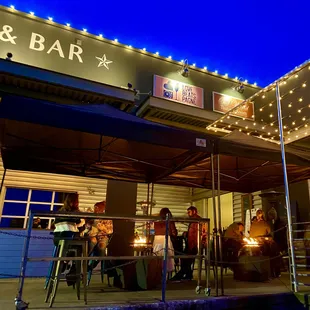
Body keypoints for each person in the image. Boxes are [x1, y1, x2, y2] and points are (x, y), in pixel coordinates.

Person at [172, 206, 204, 281]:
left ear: (194, 211)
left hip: (194, 244)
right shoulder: (192, 221)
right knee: (184, 258)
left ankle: (182, 274)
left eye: (189, 212)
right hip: (190, 243)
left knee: (187, 259)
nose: (188, 214)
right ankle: (187, 274)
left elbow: (198, 233)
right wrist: (187, 233)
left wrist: (195, 243)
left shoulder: (197, 220)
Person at [153, 208, 177, 273]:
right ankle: (166, 274)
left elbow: (153, 229)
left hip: (157, 239)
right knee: (167, 256)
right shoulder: (169, 220)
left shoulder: (156, 219)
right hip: (166, 238)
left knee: (157, 255)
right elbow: (174, 232)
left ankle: (157, 271)